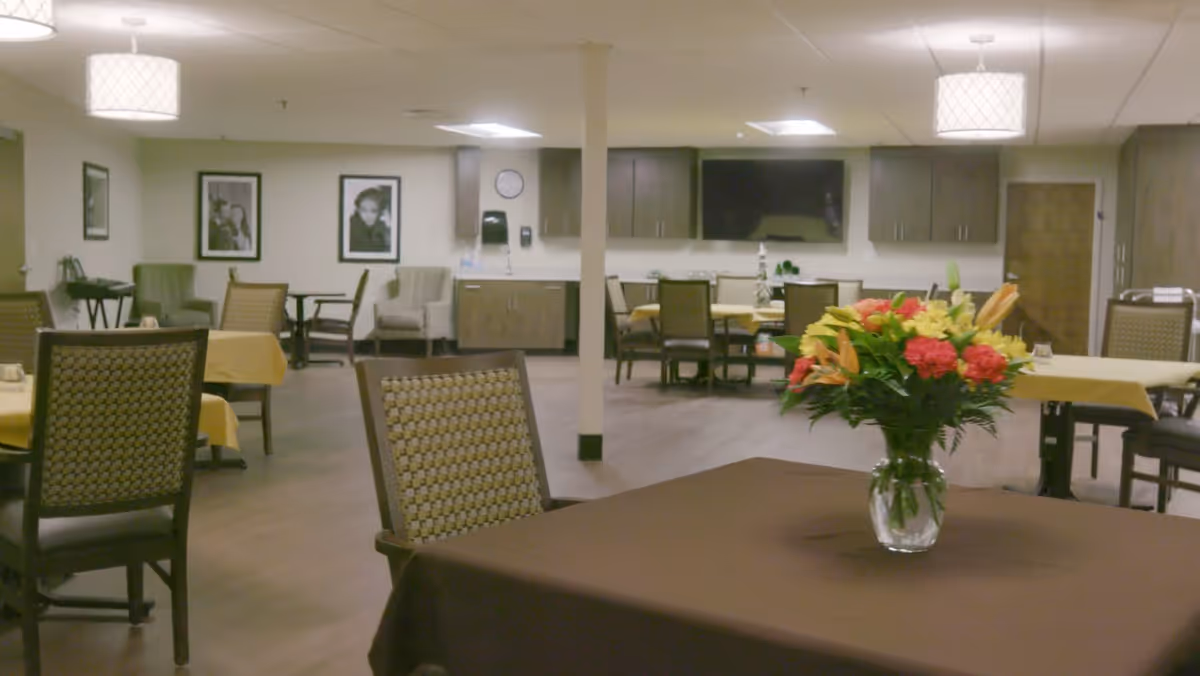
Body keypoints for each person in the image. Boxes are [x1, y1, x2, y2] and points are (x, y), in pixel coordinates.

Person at [348, 187, 392, 253]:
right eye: (363, 210)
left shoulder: (382, 227)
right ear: (358, 210)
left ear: (381, 212)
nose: (368, 215)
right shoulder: (351, 227)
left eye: (373, 211)